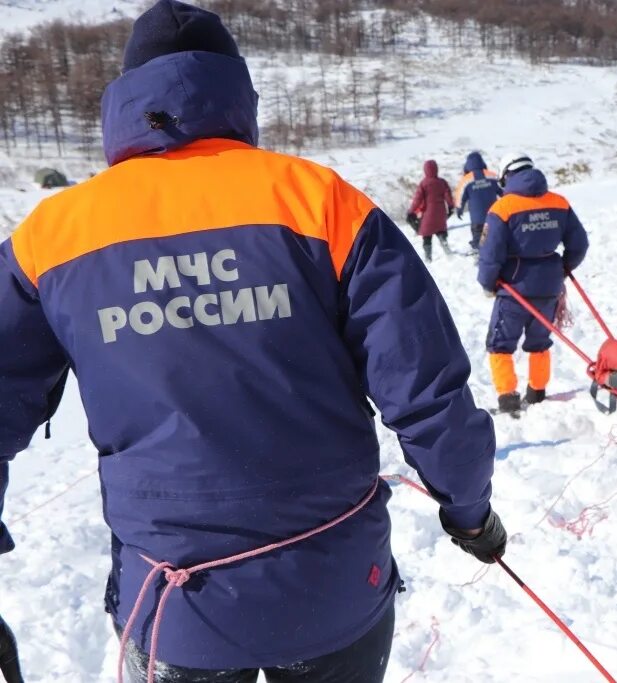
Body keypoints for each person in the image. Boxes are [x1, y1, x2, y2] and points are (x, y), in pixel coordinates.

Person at [0, 2, 505, 682]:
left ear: (124, 98)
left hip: (174, 603)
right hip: (335, 586)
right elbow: (427, 386)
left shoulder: (53, 235)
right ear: (236, 91)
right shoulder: (322, 202)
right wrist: (470, 513)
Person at [478, 153, 589, 414]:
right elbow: (580, 244)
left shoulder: (503, 208)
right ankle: (537, 393)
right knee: (539, 341)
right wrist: (562, 268)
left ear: (506, 176)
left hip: (513, 287)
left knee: (500, 344)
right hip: (550, 286)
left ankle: (508, 399)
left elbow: (490, 253)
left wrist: (487, 282)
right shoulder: (559, 202)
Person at [454, 152, 501, 257]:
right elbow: (504, 192)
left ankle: (478, 253)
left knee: (478, 237)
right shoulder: (492, 176)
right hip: (493, 215)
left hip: (477, 218)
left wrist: (459, 209)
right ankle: (493, 252)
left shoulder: (466, 180)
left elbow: (460, 197)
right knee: (492, 235)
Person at [406, 160, 454, 263]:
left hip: (428, 214)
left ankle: (428, 257)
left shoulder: (423, 184)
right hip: (441, 213)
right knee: (441, 231)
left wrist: (411, 211)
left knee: (427, 236)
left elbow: (417, 200)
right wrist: (450, 207)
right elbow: (448, 196)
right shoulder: (442, 182)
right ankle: (445, 245)